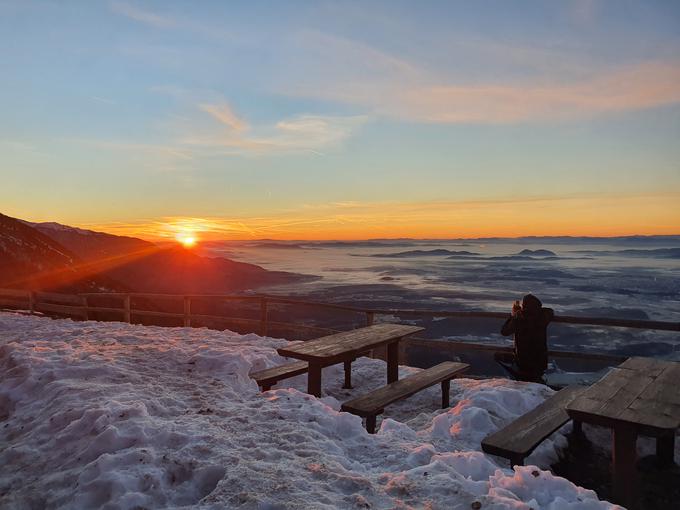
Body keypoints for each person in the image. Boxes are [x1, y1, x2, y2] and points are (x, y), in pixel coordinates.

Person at [496, 294, 554, 383]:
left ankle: (514, 380)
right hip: (540, 361)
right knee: (535, 378)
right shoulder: (543, 316)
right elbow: (550, 311)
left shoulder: (519, 318)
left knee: (497, 356)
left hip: (523, 362)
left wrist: (513, 315)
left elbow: (504, 331)